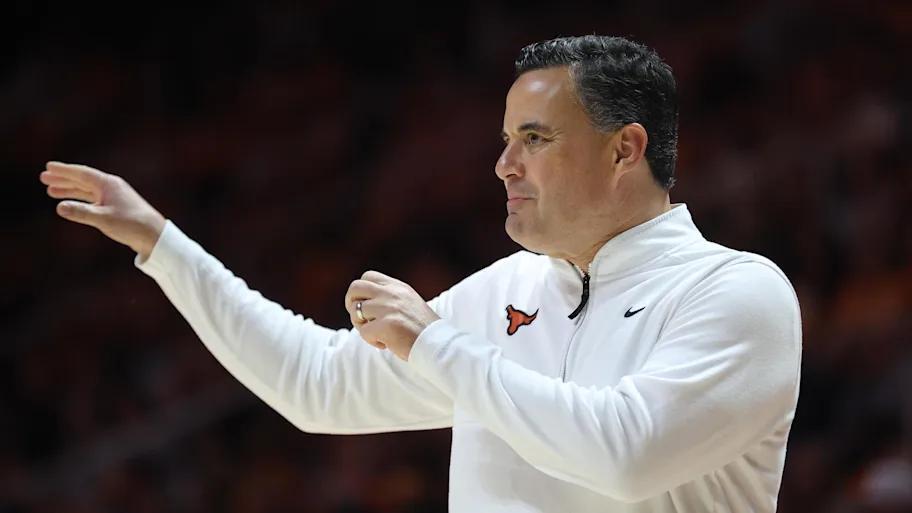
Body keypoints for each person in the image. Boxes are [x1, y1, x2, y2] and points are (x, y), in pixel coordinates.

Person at [39, 35, 801, 512]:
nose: (504, 164)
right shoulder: (507, 290)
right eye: (506, 138)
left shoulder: (737, 292)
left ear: (624, 149)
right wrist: (163, 244)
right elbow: (316, 382)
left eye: (534, 138)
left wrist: (437, 345)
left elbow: (625, 457)